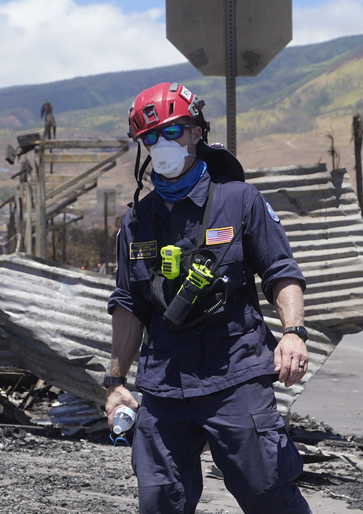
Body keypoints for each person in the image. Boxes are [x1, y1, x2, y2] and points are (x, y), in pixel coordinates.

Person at [104, 82, 312, 513]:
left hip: (234, 374)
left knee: (267, 492)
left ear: (196, 132)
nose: (163, 145)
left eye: (173, 131)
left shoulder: (240, 200)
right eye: (151, 137)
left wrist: (293, 333)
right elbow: (128, 303)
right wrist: (116, 381)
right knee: (161, 500)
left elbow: (281, 271)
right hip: (163, 385)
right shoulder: (137, 221)